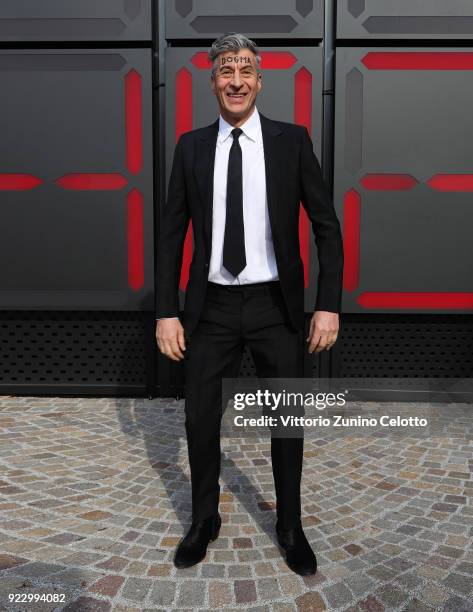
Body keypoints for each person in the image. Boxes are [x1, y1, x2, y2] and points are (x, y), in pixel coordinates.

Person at [155, 32, 343, 576]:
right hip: (209, 309)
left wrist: (327, 304)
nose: (235, 81)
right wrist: (166, 311)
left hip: (274, 308)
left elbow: (326, 227)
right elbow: (171, 234)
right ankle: (203, 519)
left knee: (285, 420)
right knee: (199, 419)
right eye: (225, 72)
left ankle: (290, 525)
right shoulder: (190, 147)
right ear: (212, 81)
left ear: (259, 80)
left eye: (245, 72)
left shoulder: (292, 141)